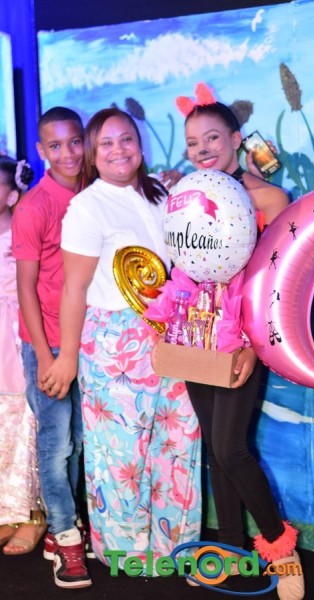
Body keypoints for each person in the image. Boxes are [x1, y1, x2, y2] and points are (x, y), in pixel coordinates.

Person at [41, 107, 202, 572]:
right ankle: (128, 556)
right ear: (93, 155)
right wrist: (67, 356)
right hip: (114, 342)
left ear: (140, 143)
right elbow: (74, 289)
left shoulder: (161, 193)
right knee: (121, 453)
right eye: (106, 143)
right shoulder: (87, 207)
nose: (118, 150)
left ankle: (177, 549)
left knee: (178, 441)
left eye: (126, 139)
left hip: (170, 333)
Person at [173, 84, 304, 600]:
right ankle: (230, 551)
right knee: (215, 448)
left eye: (212, 137)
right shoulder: (185, 198)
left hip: (243, 338)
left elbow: (275, 283)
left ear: (235, 138)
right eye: (192, 142)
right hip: (196, 336)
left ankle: (282, 550)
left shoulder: (269, 199)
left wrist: (251, 344)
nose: (202, 149)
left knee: (231, 447)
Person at [11, 107, 92, 589]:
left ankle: (66, 523)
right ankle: (64, 536)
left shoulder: (95, 193)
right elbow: (25, 288)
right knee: (55, 444)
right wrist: (45, 356)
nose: (68, 153)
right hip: (49, 343)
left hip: (89, 341)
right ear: (42, 151)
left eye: (75, 142)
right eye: (55, 145)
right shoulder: (33, 207)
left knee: (78, 442)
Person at [0, 156, 46, 555]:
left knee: (26, 422)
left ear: (13, 195)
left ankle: (33, 515)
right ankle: (6, 511)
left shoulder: (21, 234)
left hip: (17, 336)